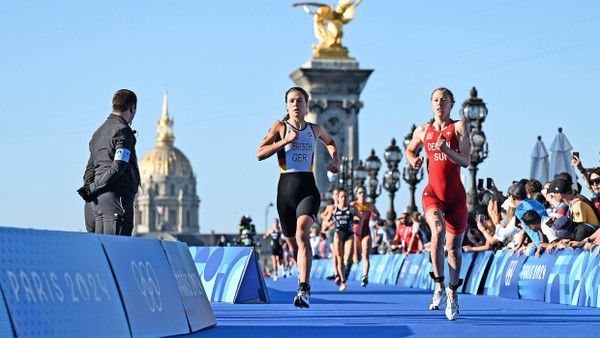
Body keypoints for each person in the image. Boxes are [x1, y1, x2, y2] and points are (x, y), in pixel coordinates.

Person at [257, 86, 340, 308]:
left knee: (304, 235)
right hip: (285, 191)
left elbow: (331, 142)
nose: (296, 104)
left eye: (300, 101)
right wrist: (284, 141)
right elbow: (259, 153)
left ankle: (303, 288)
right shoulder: (280, 127)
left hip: (308, 188)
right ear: (286, 105)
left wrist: (336, 161)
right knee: (293, 246)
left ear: (306, 105)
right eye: (292, 101)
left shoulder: (315, 128)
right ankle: (303, 274)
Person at [405, 87, 470, 321]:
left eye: (444, 100)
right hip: (432, 194)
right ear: (431, 104)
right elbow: (409, 150)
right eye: (435, 100)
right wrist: (414, 160)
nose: (439, 103)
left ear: (452, 104)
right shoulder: (423, 130)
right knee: (438, 230)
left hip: (456, 198)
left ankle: (453, 294)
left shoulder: (459, 127)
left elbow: (466, 160)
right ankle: (439, 286)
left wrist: (445, 149)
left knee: (453, 248)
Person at [77, 89, 140, 236]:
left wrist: (91, 191)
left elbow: (90, 169)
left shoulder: (98, 132)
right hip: (115, 204)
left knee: (99, 254)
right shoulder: (123, 131)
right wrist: (93, 188)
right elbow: (119, 166)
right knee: (116, 252)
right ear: (132, 108)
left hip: (94, 205)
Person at [328, 189, 362, 290]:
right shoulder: (334, 209)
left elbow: (361, 218)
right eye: (342, 197)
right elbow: (327, 219)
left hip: (349, 234)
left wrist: (359, 229)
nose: (344, 199)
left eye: (345, 197)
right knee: (339, 258)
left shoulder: (352, 208)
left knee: (346, 258)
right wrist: (327, 224)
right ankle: (343, 280)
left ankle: (348, 262)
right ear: (338, 198)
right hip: (338, 234)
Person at [350, 186, 380, 287]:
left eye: (364, 192)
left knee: (366, 253)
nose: (362, 194)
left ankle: (365, 276)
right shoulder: (354, 204)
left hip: (366, 231)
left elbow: (377, 214)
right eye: (360, 192)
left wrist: (375, 216)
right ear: (357, 195)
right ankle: (355, 256)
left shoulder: (370, 205)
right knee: (357, 258)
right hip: (356, 232)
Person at [320, 188, 340, 281]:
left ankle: (341, 272)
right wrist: (328, 223)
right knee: (335, 253)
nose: (337, 196)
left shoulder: (344, 206)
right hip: (333, 232)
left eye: (338, 194)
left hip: (341, 232)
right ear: (333, 196)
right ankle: (337, 274)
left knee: (341, 253)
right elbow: (323, 216)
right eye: (335, 194)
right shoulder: (330, 207)